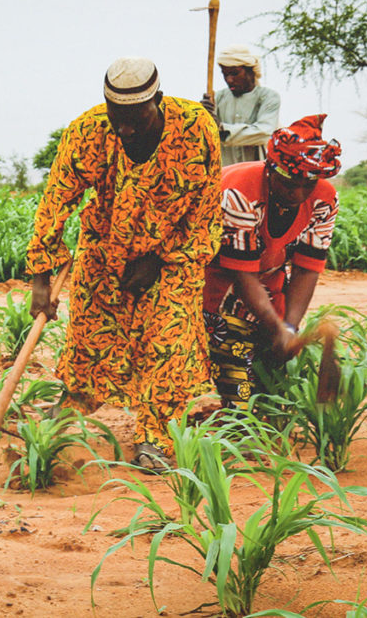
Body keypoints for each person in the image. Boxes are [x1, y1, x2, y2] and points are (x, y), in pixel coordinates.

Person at [27, 56, 222, 471]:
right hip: (106, 245)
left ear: (160, 102)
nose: (126, 129)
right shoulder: (88, 131)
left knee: (167, 340)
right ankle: (73, 405)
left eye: (136, 118)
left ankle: (155, 438)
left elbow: (204, 210)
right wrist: (41, 278)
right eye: (118, 117)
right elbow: (56, 201)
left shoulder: (196, 129)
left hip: (175, 251)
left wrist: (160, 257)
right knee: (91, 332)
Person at [203, 115, 340, 407]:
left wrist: (288, 327)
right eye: (289, 182)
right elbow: (242, 274)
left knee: (271, 365)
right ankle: (234, 420)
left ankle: (259, 414)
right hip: (215, 278)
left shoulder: (324, 200)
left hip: (267, 280)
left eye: (308, 184)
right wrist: (274, 326)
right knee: (232, 349)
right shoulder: (240, 193)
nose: (298, 193)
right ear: (270, 168)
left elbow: (307, 267)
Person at [200, 44, 281, 165]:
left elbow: (264, 132)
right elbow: (204, 136)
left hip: (257, 170)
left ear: (250, 72)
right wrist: (202, 114)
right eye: (225, 75)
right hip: (225, 172)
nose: (229, 80)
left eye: (234, 74)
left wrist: (222, 129)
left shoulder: (268, 97)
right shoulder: (217, 98)